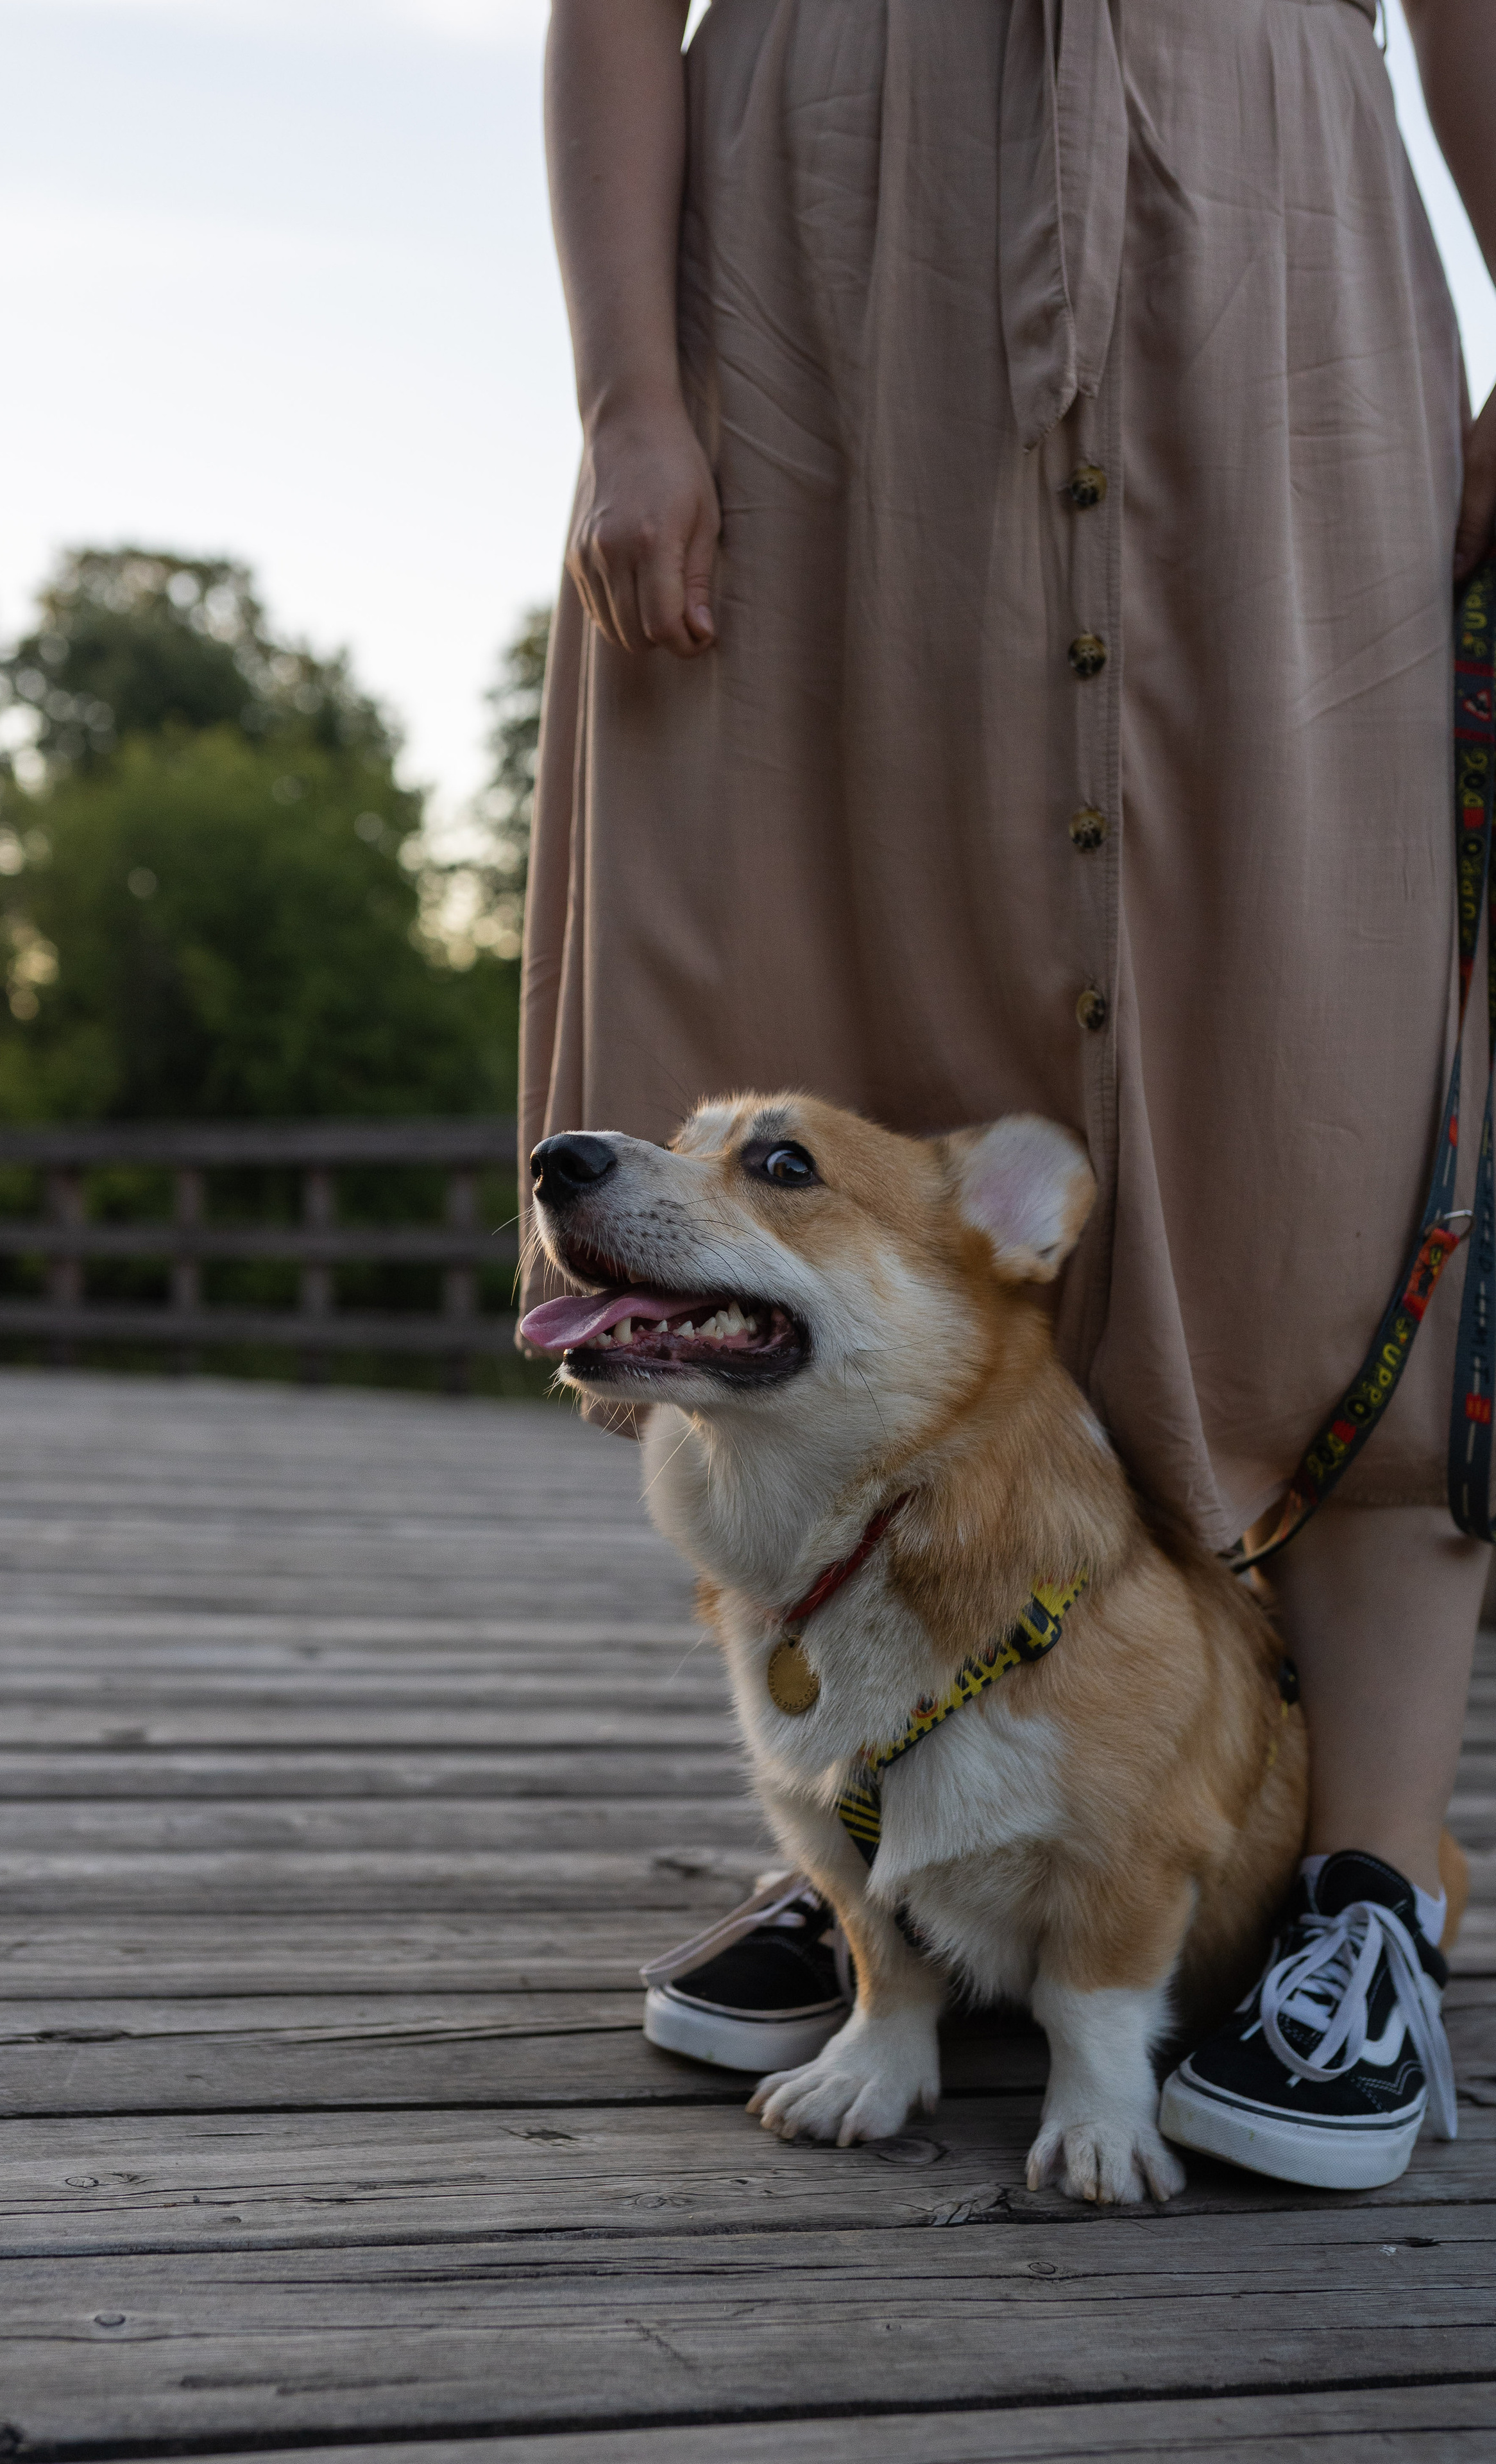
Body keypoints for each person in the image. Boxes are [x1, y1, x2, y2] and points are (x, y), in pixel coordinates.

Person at [525, 0, 1496, 2187]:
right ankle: (892, 1833)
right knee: (837, 998)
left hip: (1269, 230)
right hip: (818, 247)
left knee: (1327, 1075)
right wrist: (630, 398)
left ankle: (1367, 1892)